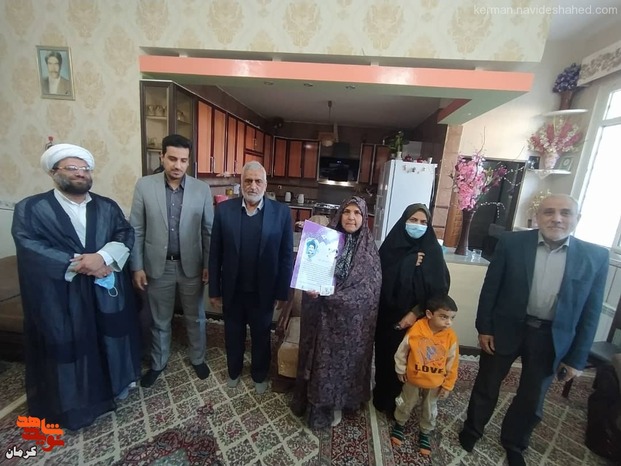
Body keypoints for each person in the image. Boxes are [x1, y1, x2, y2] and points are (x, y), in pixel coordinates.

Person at [458, 194, 609, 466]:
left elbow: (591, 311)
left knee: (532, 396)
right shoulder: (512, 243)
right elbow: (491, 288)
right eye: (549, 212)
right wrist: (485, 327)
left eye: (565, 213)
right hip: (506, 329)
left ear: (577, 218)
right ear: (538, 216)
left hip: (550, 337)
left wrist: (577, 358)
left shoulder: (596, 257)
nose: (557, 218)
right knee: (487, 384)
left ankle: (515, 442)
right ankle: (472, 429)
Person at [12, 144, 142, 430]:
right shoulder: (31, 208)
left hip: (103, 290)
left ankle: (112, 387)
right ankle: (74, 401)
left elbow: (124, 232)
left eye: (85, 169)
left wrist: (103, 257)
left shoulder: (106, 206)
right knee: (68, 342)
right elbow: (30, 246)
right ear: (53, 172)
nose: (80, 173)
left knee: (109, 336)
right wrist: (81, 263)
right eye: (72, 168)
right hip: (61, 295)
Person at [129, 134, 213, 387]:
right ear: (162, 157)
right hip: (158, 266)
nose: (178, 165)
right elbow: (136, 230)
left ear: (189, 161)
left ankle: (198, 358)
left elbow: (208, 231)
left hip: (192, 267)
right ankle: (158, 362)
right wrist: (137, 266)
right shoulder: (144, 186)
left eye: (183, 160)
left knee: (195, 317)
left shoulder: (202, 189)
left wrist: (208, 264)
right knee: (160, 320)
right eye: (173, 159)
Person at [291, 196, 382, 429]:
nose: (351, 217)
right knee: (319, 362)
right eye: (347, 212)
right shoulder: (324, 239)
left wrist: (335, 298)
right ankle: (316, 404)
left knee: (344, 365)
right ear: (340, 214)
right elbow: (310, 273)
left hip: (349, 324)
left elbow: (370, 290)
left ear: (364, 217)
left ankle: (339, 403)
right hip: (321, 318)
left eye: (357, 213)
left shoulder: (369, 251)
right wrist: (311, 289)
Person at [208, 161, 293, 394]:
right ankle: (234, 371)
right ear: (241, 183)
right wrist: (214, 290)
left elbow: (286, 256)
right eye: (248, 180)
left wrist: (282, 292)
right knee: (233, 334)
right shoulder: (224, 211)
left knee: (261, 336)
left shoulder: (281, 213)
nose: (253, 186)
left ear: (265, 184)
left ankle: (259, 374)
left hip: (264, 291)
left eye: (258, 181)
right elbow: (215, 254)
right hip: (233, 290)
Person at [373, 203, 450, 416]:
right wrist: (407, 263)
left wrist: (415, 313)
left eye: (423, 222)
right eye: (413, 220)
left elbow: (440, 289)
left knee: (410, 361)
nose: (418, 225)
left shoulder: (432, 250)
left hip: (418, 319)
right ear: (404, 221)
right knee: (386, 357)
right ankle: (382, 397)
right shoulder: (391, 246)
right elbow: (378, 276)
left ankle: (402, 405)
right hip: (388, 316)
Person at [390, 295, 459, 456]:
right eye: (443, 317)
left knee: (430, 408)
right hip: (413, 379)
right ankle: (400, 423)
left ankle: (425, 431)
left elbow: (452, 362)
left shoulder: (450, 337)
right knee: (406, 402)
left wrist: (448, 385)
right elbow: (402, 351)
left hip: (435, 383)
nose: (448, 322)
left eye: (452, 318)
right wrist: (400, 369)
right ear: (429, 314)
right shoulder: (416, 329)